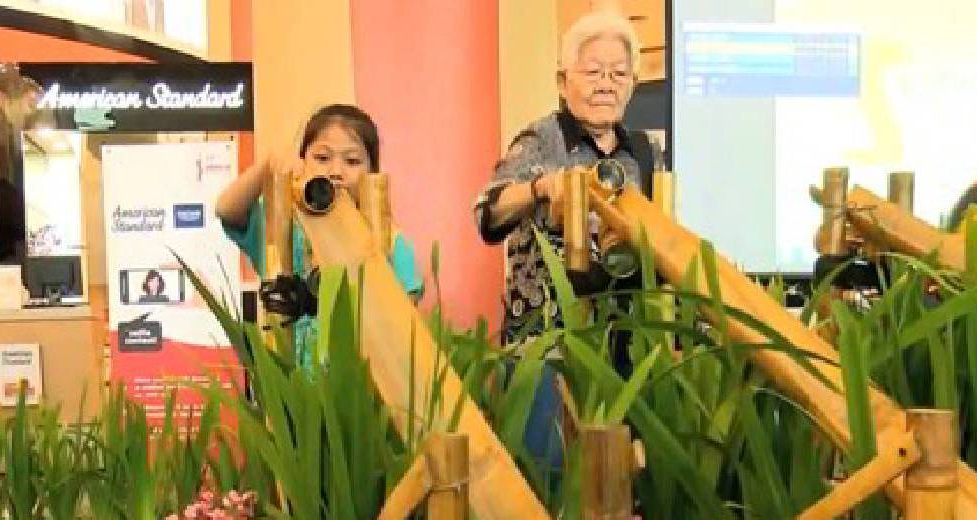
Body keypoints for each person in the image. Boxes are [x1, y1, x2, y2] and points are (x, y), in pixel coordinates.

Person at [472, 8, 657, 469]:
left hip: (619, 346)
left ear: (633, 83)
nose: (606, 84)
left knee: (613, 488)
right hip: (545, 346)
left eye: (619, 73)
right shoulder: (542, 140)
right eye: (593, 71)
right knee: (549, 479)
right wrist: (539, 188)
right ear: (562, 80)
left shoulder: (642, 152)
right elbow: (486, 211)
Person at [215, 104, 423, 367]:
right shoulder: (285, 232)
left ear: (372, 173)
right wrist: (268, 166)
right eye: (322, 158)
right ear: (303, 162)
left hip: (359, 392)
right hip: (294, 390)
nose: (336, 171)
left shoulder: (391, 242)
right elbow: (227, 209)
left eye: (352, 161)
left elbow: (406, 327)